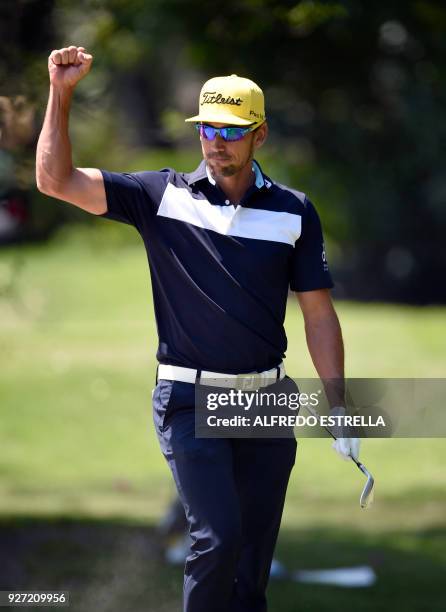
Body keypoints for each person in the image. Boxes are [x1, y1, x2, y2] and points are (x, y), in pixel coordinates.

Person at [36, 46, 360, 612]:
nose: (215, 140)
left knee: (252, 564)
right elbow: (54, 180)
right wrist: (61, 93)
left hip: (266, 402)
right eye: (207, 127)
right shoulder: (159, 196)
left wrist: (337, 402)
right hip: (189, 397)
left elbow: (318, 312)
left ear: (259, 134)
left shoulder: (294, 212)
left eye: (231, 130)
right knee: (217, 538)